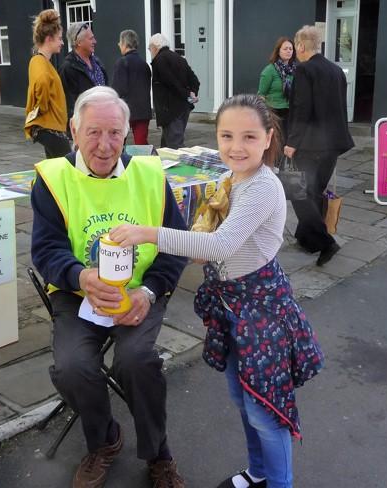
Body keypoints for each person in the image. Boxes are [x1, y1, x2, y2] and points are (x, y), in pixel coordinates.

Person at [110, 94, 324, 488]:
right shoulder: (232, 180)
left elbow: (218, 246)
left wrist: (147, 234)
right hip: (232, 307)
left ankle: (279, 483)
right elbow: (209, 240)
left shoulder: (262, 187)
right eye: (226, 136)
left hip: (261, 311)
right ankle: (257, 473)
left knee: (266, 410)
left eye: (248, 136)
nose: (235, 147)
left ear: (267, 138)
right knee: (244, 398)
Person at [30, 86, 187, 488]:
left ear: (126, 132)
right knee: (72, 368)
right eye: (94, 132)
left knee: (136, 363)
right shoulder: (53, 178)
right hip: (78, 293)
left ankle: (159, 453)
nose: (105, 145)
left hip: (139, 292)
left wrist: (150, 291)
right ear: (73, 130)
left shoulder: (151, 175)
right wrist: (80, 276)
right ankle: (104, 439)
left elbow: (176, 245)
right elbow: (45, 250)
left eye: (115, 133)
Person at [284, 25, 354, 266]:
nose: (295, 52)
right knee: (312, 192)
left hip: (310, 145)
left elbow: (302, 108)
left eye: (296, 48)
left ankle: (326, 243)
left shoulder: (304, 70)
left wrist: (292, 142)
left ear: (301, 46)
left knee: (298, 192)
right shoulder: (336, 70)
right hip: (334, 143)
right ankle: (306, 238)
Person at [24, 9, 71, 158]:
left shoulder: (42, 62)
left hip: (51, 128)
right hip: (50, 128)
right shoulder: (39, 62)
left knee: (53, 172)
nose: (62, 42)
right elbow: (42, 82)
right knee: (68, 168)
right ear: (49, 39)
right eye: (59, 38)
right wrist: (42, 107)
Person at [148, 33, 200, 149]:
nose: (150, 51)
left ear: (155, 46)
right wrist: (192, 93)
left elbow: (171, 82)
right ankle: (162, 165)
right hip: (182, 108)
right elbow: (195, 80)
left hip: (170, 109)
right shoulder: (180, 59)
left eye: (149, 48)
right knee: (166, 146)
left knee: (175, 147)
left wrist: (187, 95)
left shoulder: (159, 60)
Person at [59, 22, 108, 130]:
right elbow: (69, 105)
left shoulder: (97, 62)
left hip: (103, 123)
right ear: (79, 42)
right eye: (91, 39)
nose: (95, 42)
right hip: (84, 129)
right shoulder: (68, 68)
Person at [111, 29, 152, 145]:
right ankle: (143, 163)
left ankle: (121, 163)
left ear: (125, 43)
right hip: (143, 111)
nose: (118, 44)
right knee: (141, 145)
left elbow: (118, 90)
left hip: (126, 111)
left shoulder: (122, 63)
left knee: (118, 143)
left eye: (120, 42)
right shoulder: (145, 65)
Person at [258, 37, 296, 142]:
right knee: (276, 146)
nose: (289, 51)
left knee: (288, 145)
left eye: (291, 49)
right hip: (274, 114)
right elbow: (261, 95)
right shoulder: (269, 71)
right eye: (285, 49)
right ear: (278, 51)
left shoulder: (295, 71)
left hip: (290, 113)